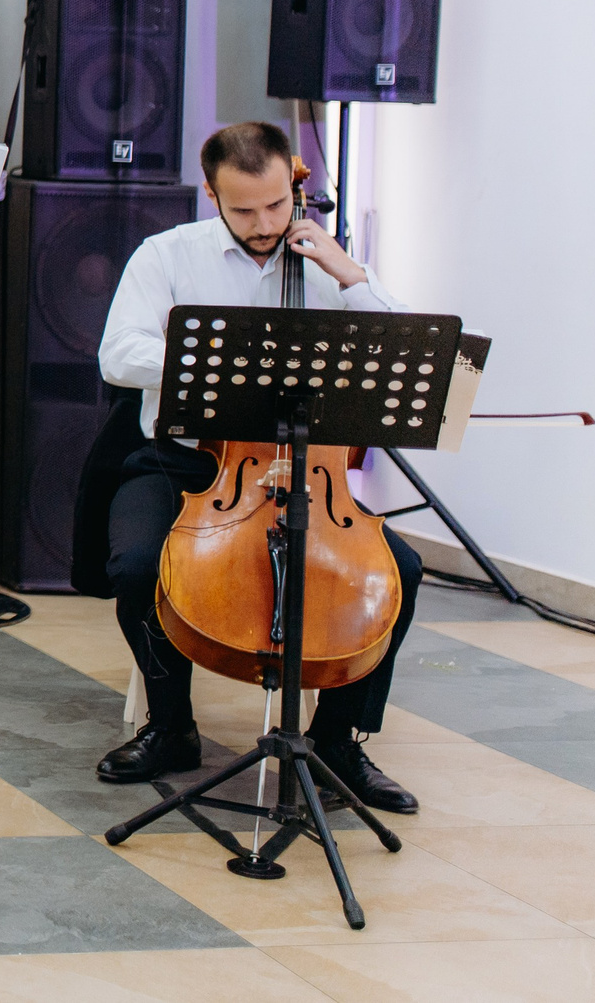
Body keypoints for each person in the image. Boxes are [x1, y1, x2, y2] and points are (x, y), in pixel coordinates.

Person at [92, 120, 422, 812]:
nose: (267, 222)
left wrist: (348, 271)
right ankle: (172, 726)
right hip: (186, 463)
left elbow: (398, 345)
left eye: (277, 204)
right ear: (213, 195)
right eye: (245, 209)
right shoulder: (168, 255)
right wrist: (219, 370)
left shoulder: (325, 262)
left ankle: (338, 741)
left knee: (403, 570)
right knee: (138, 564)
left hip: (305, 474)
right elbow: (118, 354)